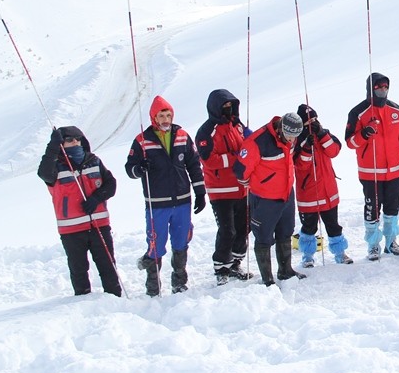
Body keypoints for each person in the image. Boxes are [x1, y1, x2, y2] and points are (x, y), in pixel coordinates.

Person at [126, 96, 206, 296]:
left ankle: (179, 283)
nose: (165, 119)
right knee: (156, 244)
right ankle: (153, 287)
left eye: (168, 114)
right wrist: (139, 168)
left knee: (181, 241)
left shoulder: (182, 136)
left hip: (182, 200)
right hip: (157, 203)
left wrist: (200, 191)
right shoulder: (142, 141)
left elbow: (194, 165)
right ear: (154, 117)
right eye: (161, 115)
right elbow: (129, 168)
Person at [38, 126, 122, 297]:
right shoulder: (55, 167)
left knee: (107, 265)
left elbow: (111, 184)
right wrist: (52, 146)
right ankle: (82, 303)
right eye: (70, 140)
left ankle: (115, 298)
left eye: (78, 139)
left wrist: (97, 198)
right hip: (72, 230)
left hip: (99, 224)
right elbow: (43, 173)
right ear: (61, 144)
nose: (75, 142)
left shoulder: (94, 161)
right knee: (79, 270)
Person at [345, 73, 399, 260]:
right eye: (379, 87)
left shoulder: (396, 110)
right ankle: (373, 245)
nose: (383, 90)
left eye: (385, 86)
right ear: (370, 88)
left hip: (394, 171)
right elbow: (350, 142)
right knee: (373, 209)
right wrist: (364, 134)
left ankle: (391, 242)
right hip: (371, 172)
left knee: (392, 208)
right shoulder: (358, 112)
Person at [234, 112, 306, 285]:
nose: (291, 140)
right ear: (281, 128)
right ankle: (267, 279)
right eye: (289, 136)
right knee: (264, 237)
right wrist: (258, 185)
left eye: (295, 137)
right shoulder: (258, 141)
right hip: (265, 198)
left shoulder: (291, 138)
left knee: (285, 232)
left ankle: (285, 270)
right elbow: (241, 171)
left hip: (287, 194)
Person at [195, 89, 254, 285]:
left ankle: (236, 262)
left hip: (241, 186)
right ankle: (221, 266)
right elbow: (208, 160)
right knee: (227, 230)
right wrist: (233, 158)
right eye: (224, 107)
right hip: (220, 190)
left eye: (231, 106)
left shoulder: (237, 125)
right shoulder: (206, 131)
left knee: (244, 226)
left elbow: (246, 146)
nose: (228, 110)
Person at [293, 104, 353, 267]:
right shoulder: (297, 140)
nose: (313, 122)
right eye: (309, 120)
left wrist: (321, 134)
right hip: (308, 194)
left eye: (315, 119)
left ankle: (340, 253)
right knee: (309, 228)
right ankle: (307, 256)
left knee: (333, 225)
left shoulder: (324, 134)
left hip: (328, 191)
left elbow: (334, 151)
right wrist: (306, 148)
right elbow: (299, 165)